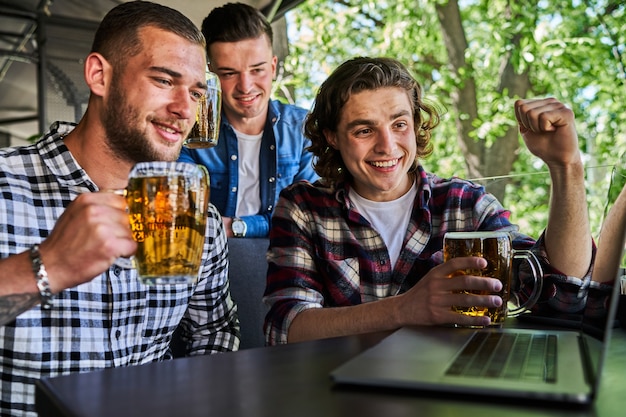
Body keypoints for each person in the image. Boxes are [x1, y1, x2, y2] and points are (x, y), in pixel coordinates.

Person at [0, 2, 239, 415]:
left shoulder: (197, 217)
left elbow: (214, 333)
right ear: (99, 75)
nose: (185, 109)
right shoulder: (7, 184)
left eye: (197, 92)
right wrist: (47, 266)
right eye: (165, 80)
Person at [263, 56, 605, 345]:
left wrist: (567, 167)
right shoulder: (303, 207)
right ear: (332, 137)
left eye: (399, 124)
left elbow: (561, 292)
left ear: (415, 125)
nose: (387, 146)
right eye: (364, 130)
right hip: (337, 392)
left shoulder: (463, 203)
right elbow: (285, 326)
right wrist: (404, 309)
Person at [178, 2, 318, 238]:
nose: (246, 87)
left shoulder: (303, 130)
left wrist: (237, 226)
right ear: (209, 74)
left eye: (257, 70)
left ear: (273, 67)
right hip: (206, 264)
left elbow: (309, 218)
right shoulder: (188, 129)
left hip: (287, 262)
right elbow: (183, 214)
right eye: (229, 73)